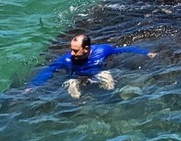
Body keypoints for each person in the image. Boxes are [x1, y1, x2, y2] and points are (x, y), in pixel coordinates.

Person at [26, 34, 155, 99]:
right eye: (71, 49)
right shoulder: (66, 59)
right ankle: (81, 107)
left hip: (98, 73)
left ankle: (112, 101)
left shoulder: (103, 50)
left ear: (86, 48)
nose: (72, 53)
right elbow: (49, 70)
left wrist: (146, 53)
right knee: (72, 86)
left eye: (75, 50)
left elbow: (124, 50)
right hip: (76, 77)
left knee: (108, 81)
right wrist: (33, 86)